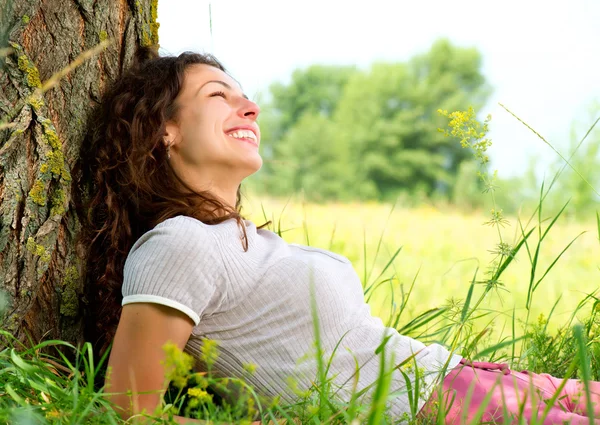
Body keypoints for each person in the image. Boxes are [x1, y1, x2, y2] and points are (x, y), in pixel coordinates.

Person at [79, 47, 600, 424]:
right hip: (436, 409)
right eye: (219, 95)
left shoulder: (239, 239)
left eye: (246, 97)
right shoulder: (178, 243)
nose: (250, 108)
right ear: (162, 130)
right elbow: (129, 408)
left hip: (468, 379)